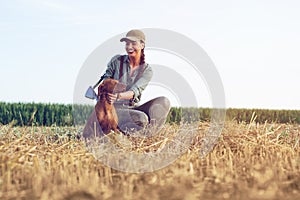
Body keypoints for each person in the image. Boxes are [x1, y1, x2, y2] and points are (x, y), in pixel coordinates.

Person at [100, 29, 171, 134]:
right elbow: (105, 80)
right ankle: (122, 133)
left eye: (133, 43)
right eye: (127, 44)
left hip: (133, 107)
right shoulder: (116, 61)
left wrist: (119, 95)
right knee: (141, 118)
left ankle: (148, 136)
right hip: (114, 108)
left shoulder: (147, 70)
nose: (129, 47)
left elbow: (135, 91)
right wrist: (109, 88)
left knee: (164, 102)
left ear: (142, 45)